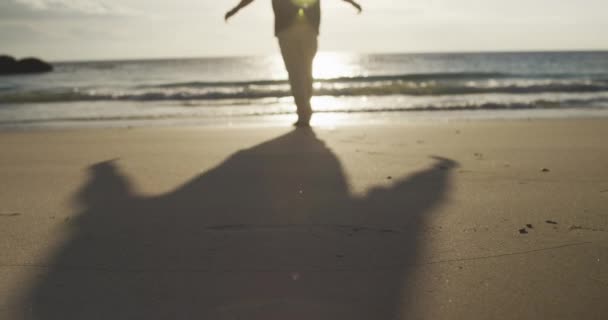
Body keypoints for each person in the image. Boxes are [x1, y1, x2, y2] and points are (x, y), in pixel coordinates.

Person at [225, 0, 362, 127]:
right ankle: (304, 113)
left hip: (307, 27)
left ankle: (304, 111)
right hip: (288, 29)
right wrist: (236, 9)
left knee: (304, 72)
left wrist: (352, 3)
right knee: (297, 72)